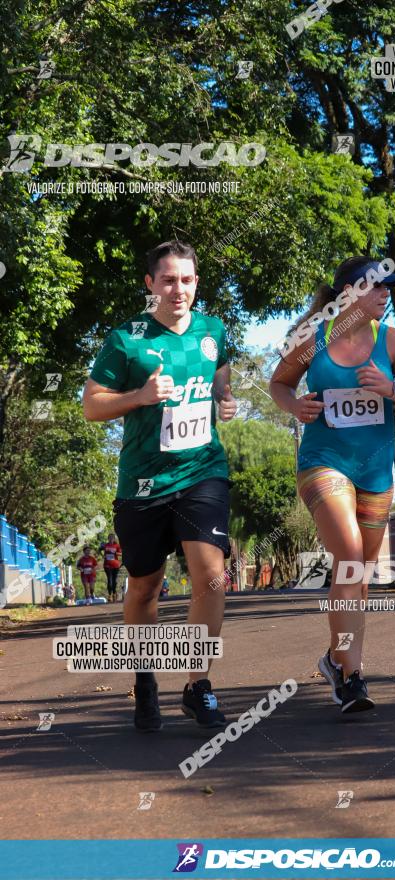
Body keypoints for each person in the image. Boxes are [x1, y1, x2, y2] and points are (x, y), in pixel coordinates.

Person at [82, 240, 237, 732]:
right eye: (168, 280)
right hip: (144, 483)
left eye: (187, 280)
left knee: (211, 574)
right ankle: (145, 676)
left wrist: (226, 402)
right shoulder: (126, 339)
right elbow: (92, 405)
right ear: (150, 284)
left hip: (203, 471)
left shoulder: (214, 331)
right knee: (145, 586)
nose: (179, 289)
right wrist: (140, 396)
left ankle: (198, 686)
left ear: (197, 283)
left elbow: (221, 384)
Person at [270, 256, 395, 714]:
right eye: (379, 287)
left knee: (357, 575)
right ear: (350, 292)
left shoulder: (393, 341)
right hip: (323, 463)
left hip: (376, 471)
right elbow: (279, 384)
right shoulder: (313, 340)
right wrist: (293, 406)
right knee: (349, 557)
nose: (387, 295)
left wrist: (394, 391)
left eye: (390, 288)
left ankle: (334, 658)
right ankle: (351, 677)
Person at [100, 532, 122, 602]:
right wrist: (102, 555)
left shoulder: (117, 545)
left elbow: (121, 553)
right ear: (108, 538)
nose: (111, 539)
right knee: (109, 580)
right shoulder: (105, 545)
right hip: (107, 565)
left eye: (112, 538)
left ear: (114, 539)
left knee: (114, 581)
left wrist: (115, 553)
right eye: (110, 538)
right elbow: (99, 549)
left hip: (115, 565)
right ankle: (109, 595)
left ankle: (114, 593)